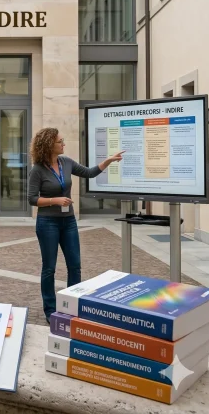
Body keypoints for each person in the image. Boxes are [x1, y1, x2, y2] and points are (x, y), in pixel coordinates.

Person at [28, 127, 124, 322]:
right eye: (60, 141)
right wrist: (55, 200)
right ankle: (50, 309)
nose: (63, 144)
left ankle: (72, 305)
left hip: (68, 221)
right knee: (49, 268)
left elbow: (89, 173)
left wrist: (108, 161)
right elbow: (31, 199)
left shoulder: (66, 162)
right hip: (48, 222)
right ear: (49, 145)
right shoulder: (37, 170)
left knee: (75, 265)